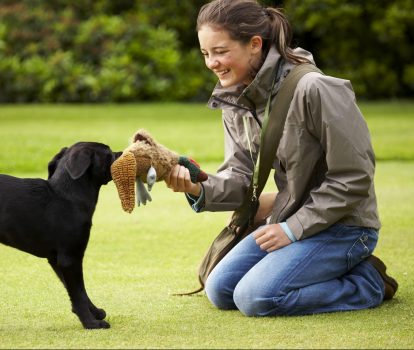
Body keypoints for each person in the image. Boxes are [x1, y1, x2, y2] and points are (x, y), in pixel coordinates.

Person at [165, 0, 398, 316]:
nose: (211, 63)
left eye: (220, 51)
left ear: (254, 45)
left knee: (255, 298)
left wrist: (290, 230)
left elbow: (353, 177)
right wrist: (196, 187)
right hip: (291, 218)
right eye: (206, 54)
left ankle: (367, 282)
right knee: (220, 289)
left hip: (345, 227)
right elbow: (240, 179)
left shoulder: (315, 89)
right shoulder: (237, 98)